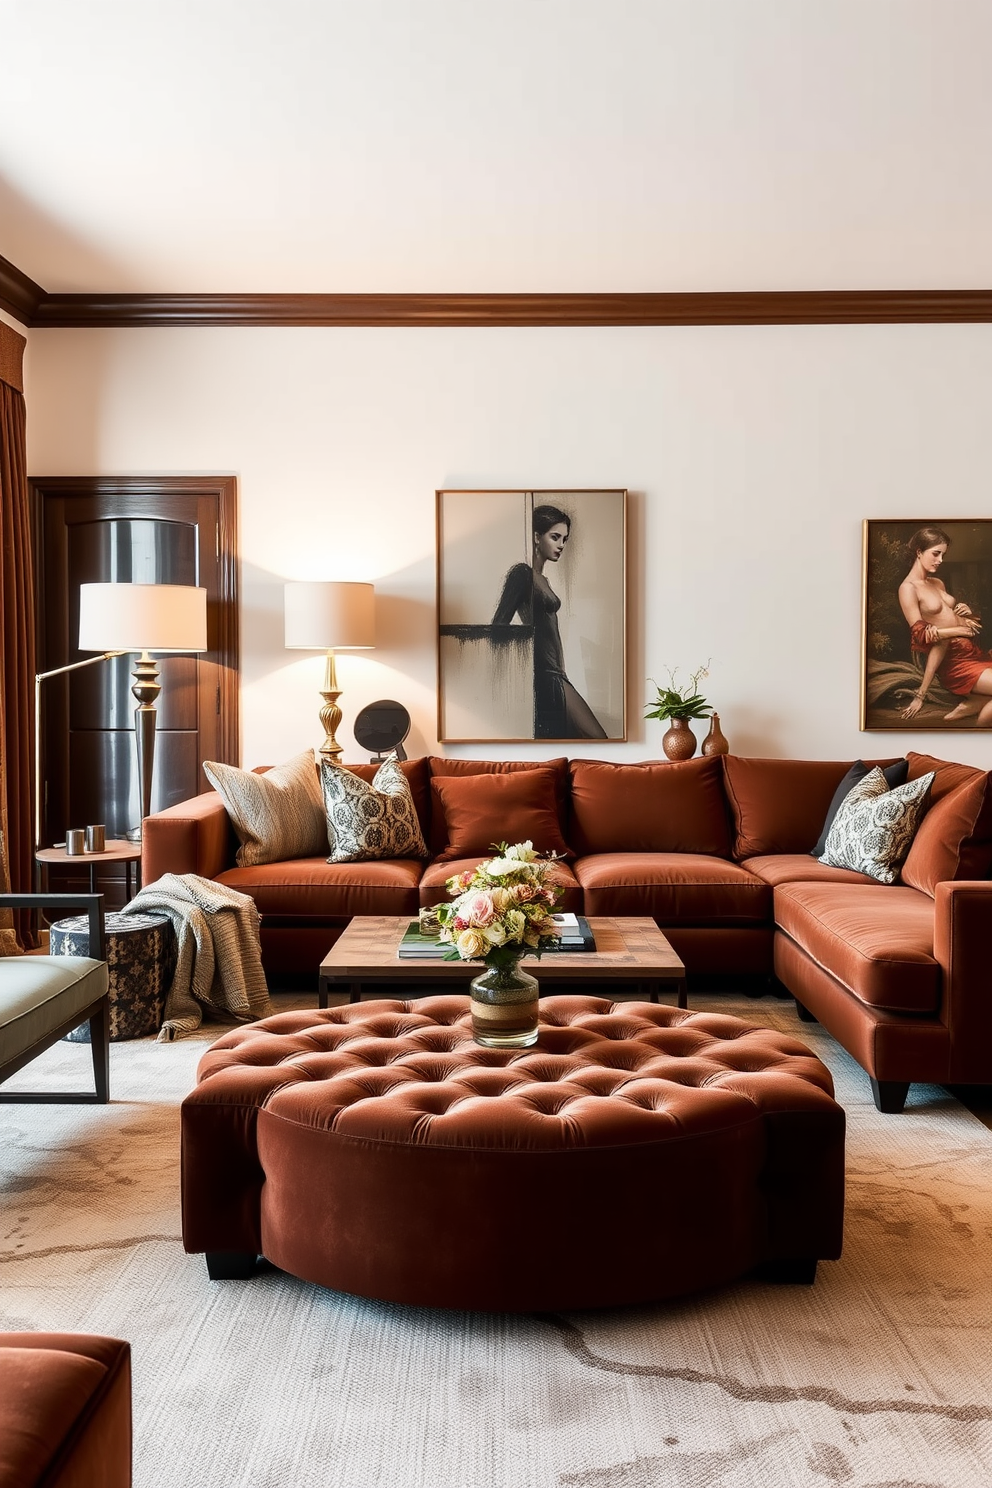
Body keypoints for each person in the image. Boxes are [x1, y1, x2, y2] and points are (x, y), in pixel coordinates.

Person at [492, 504, 608, 739]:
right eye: (555, 537)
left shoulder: (543, 580)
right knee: (597, 738)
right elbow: (498, 626)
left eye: (564, 539)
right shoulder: (522, 574)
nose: (561, 545)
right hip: (543, 673)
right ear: (536, 537)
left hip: (557, 673)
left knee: (578, 739)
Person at [898, 526, 992, 725]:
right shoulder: (908, 589)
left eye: (943, 555)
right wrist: (958, 630)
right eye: (936, 553)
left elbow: (951, 617)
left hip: (975, 653)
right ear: (919, 552)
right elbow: (920, 634)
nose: (940, 560)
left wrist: (968, 614)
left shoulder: (937, 583)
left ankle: (974, 704)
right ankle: (979, 729)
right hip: (955, 663)